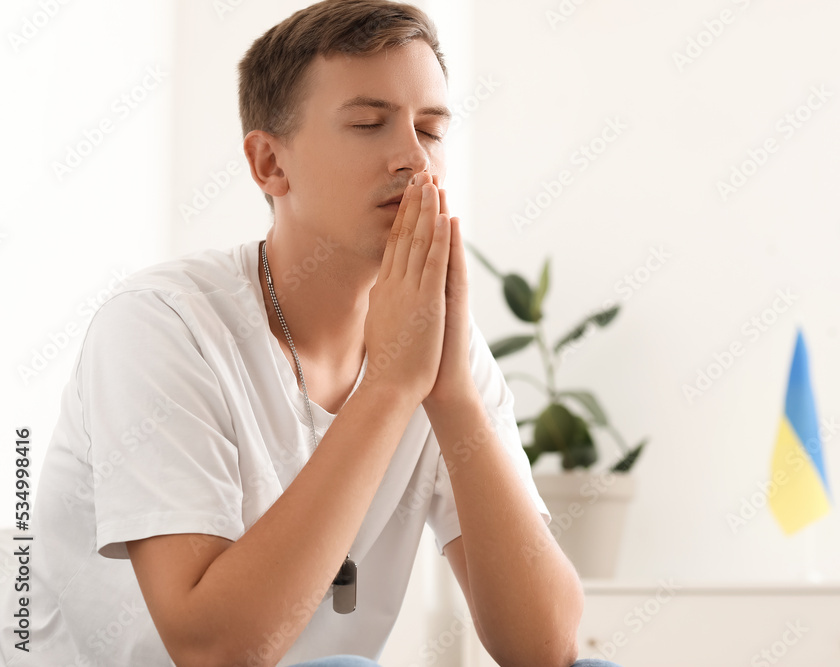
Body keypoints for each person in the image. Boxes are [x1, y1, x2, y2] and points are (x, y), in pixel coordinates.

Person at [9, 1, 625, 666]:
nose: (415, 159)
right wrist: (389, 386)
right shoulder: (161, 326)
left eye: (432, 128)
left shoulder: (441, 346)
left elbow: (546, 647)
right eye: (368, 123)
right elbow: (214, 650)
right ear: (271, 163)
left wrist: (452, 397)